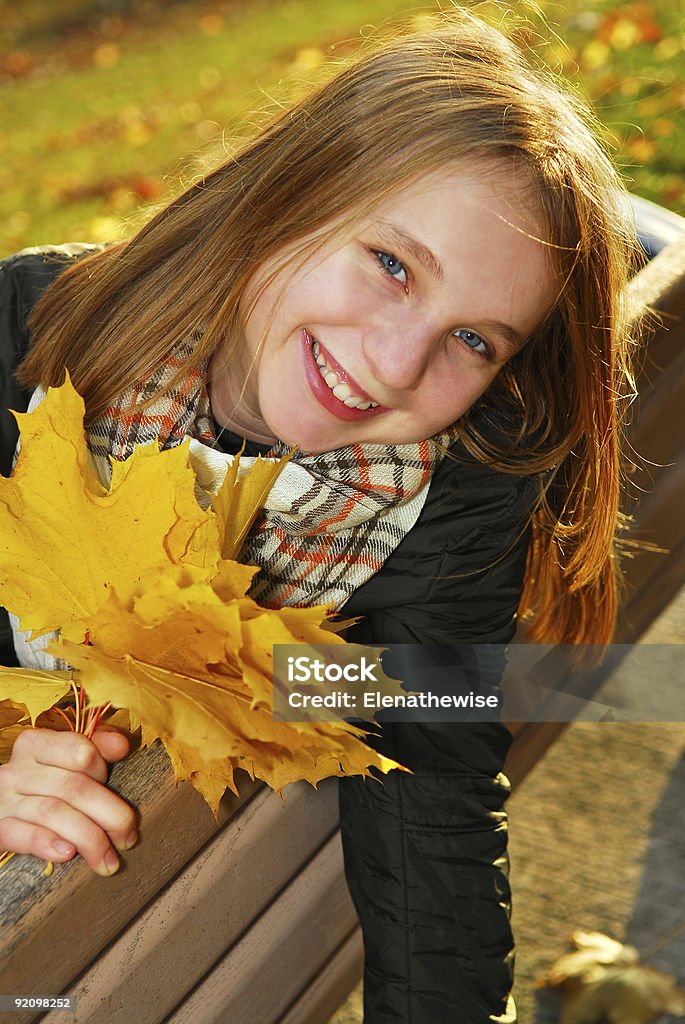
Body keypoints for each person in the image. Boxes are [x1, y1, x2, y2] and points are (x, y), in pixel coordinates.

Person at [0, 9, 637, 1023]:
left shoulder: (450, 488)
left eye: (472, 337)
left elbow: (431, 793)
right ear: (291, 191)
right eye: (390, 263)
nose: (393, 363)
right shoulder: (30, 334)